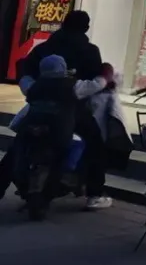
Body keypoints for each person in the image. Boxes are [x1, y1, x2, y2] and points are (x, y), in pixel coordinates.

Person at [16, 11, 110, 208]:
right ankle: (94, 193)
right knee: (95, 142)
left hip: (38, 108)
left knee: (18, 144)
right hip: (71, 110)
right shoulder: (89, 51)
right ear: (86, 28)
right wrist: (106, 77)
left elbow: (25, 71)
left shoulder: (44, 48)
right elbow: (94, 81)